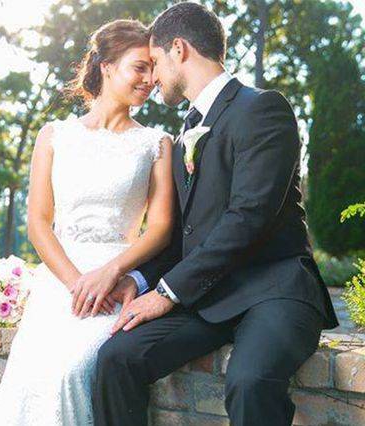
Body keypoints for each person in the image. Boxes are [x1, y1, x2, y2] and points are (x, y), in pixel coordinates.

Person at [91, 3, 339, 425]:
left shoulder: (262, 109)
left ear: (179, 50)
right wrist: (135, 280)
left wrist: (166, 293)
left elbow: (249, 218)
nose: (152, 79)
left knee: (250, 382)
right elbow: (181, 234)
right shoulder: (184, 130)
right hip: (207, 297)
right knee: (116, 359)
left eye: (155, 63)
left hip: (273, 290)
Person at [0, 19, 173, 426]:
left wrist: (110, 274)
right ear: (106, 66)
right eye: (139, 67)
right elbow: (38, 222)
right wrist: (76, 283)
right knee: (31, 375)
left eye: (153, 70)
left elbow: (160, 228)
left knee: (73, 371)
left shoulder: (156, 143)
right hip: (59, 284)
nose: (150, 80)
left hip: (116, 283)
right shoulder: (54, 135)